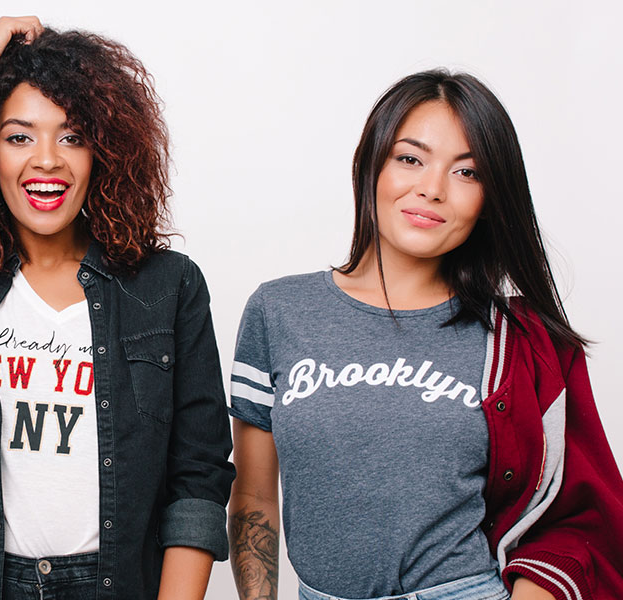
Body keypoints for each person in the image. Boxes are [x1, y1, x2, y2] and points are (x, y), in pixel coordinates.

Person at [0, 17, 234, 599]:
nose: (47, 160)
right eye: (19, 137)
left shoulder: (169, 286)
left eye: (72, 136)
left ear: (104, 151)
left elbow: (198, 477)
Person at [227, 70, 623, 600]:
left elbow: (582, 516)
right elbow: (254, 497)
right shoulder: (278, 311)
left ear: (489, 198)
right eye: (410, 158)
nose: (432, 189)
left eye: (467, 172)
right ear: (371, 164)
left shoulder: (520, 341)